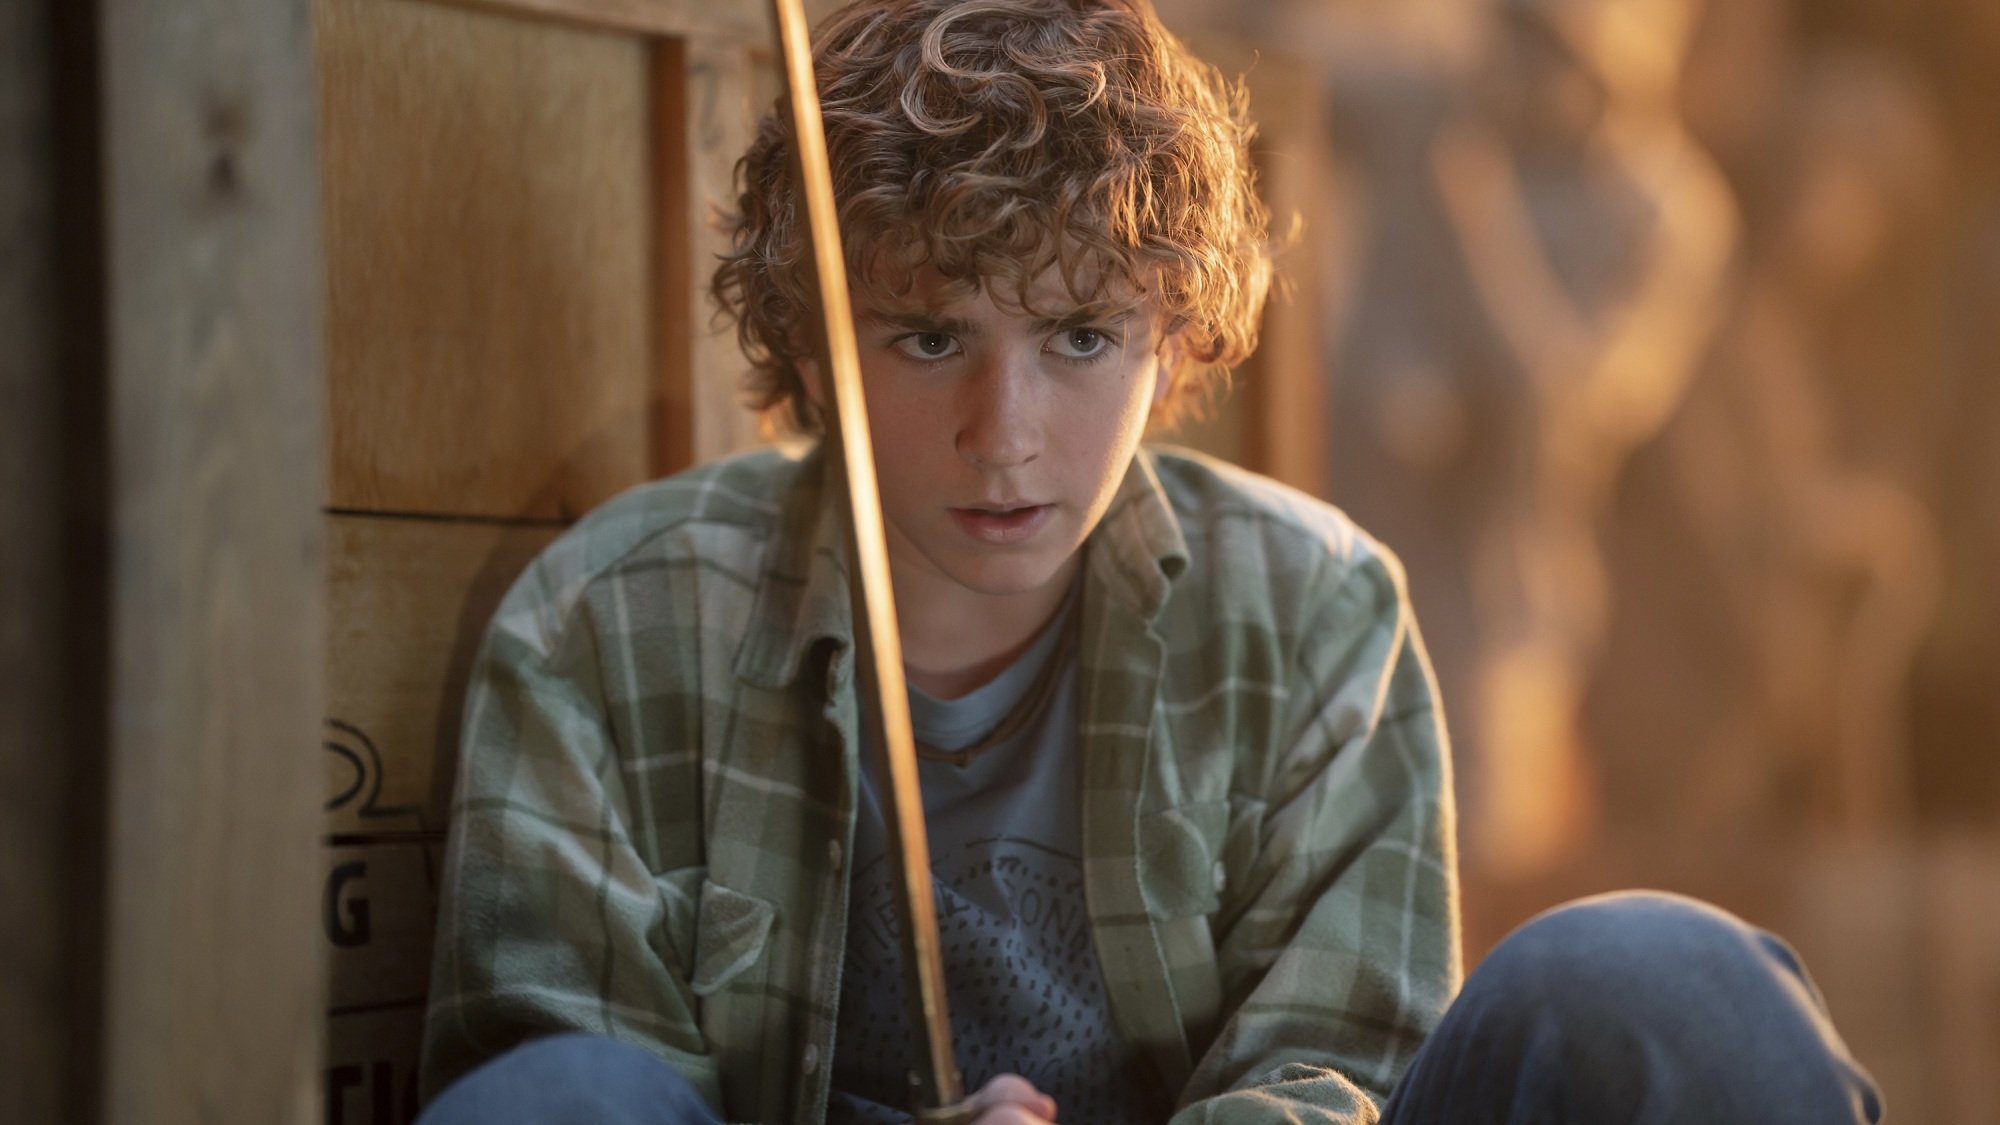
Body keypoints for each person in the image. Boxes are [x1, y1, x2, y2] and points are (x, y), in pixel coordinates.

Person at [416, 1, 1883, 1122]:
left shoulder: (1316, 610)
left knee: (1666, 987)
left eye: (1078, 339)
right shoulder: (612, 616)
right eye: (930, 337)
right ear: (808, 336)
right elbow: (562, 1066)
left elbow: (1338, 1066)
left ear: (1176, 340)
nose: (1008, 436)